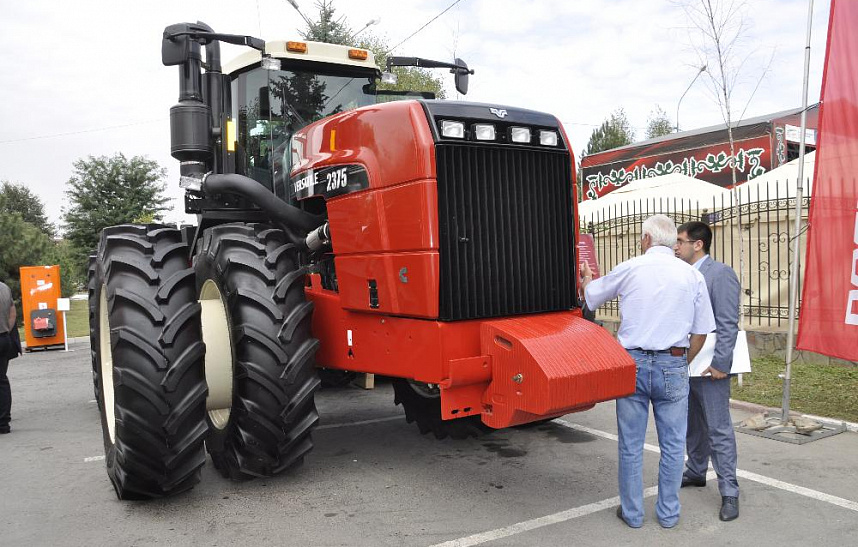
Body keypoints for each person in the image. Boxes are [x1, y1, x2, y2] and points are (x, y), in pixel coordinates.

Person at [580, 214, 714, 529]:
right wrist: (682, 362)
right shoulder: (692, 275)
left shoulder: (630, 267)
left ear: (646, 240)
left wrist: (587, 279)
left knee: (630, 444)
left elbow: (591, 296)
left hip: (633, 363)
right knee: (672, 445)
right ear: (673, 243)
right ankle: (668, 514)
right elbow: (702, 331)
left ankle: (633, 513)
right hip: (673, 362)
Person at [675, 221, 741, 522]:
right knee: (693, 423)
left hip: (712, 366)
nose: (676, 247)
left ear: (697, 244)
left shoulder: (720, 274)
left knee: (718, 428)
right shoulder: (682, 274)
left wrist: (721, 365)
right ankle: (696, 470)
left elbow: (728, 323)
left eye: (680, 241)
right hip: (687, 362)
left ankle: (730, 491)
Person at [0, 280, 18, 434]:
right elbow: (13, 312)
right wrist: (6, 329)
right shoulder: (4, 287)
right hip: (4, 338)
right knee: (2, 380)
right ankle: (3, 422)